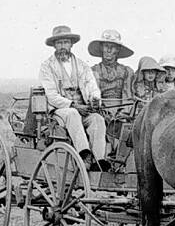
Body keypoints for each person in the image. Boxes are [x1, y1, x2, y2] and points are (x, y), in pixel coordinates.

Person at [38, 24, 107, 171]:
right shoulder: (47, 67)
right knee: (72, 113)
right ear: (54, 46)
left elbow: (92, 86)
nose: (63, 46)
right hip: (59, 112)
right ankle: (84, 154)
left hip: (83, 110)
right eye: (59, 43)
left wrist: (94, 99)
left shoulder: (82, 65)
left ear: (71, 44)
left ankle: (99, 161)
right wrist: (74, 105)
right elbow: (51, 96)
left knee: (97, 119)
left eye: (65, 42)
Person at [88, 29, 136, 107]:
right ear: (101, 48)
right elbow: (93, 96)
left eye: (113, 47)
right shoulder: (93, 71)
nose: (109, 50)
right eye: (106, 46)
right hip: (100, 110)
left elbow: (127, 97)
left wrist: (123, 115)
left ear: (117, 49)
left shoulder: (126, 71)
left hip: (122, 112)